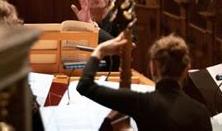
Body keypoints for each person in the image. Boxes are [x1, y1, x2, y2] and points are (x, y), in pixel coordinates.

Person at [77, 34, 212, 131]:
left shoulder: (141, 102)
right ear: (186, 70)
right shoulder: (201, 113)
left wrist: (100, 50)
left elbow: (85, 85)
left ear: (153, 67)